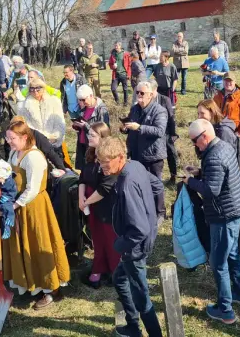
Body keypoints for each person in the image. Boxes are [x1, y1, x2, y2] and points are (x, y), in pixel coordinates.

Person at [184, 120, 240, 324]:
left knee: (218, 263)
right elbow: (220, 177)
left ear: (204, 136)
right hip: (236, 209)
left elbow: (211, 190)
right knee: (232, 255)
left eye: (195, 141)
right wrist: (199, 172)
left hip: (224, 215)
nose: (194, 145)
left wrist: (190, 181)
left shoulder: (213, 157)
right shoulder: (223, 145)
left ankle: (226, 310)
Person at [0, 117, 70, 309]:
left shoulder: (34, 157)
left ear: (24, 137)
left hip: (34, 207)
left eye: (12, 138)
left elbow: (32, 188)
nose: (9, 142)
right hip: (18, 206)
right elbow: (7, 170)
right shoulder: (15, 152)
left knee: (39, 244)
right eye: (8, 138)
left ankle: (51, 289)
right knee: (23, 245)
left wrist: (15, 205)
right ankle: (30, 283)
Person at [97, 137, 164, 337]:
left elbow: (139, 229)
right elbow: (158, 187)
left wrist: (119, 244)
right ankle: (133, 325)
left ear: (119, 157)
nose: (103, 168)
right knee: (119, 278)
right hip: (139, 243)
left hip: (134, 248)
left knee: (141, 296)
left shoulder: (126, 184)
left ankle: (152, 333)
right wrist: (150, 212)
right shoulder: (135, 165)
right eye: (100, 162)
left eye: (106, 163)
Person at [77, 123, 120, 289]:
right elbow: (82, 178)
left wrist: (86, 201)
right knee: (97, 239)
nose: (88, 137)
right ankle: (99, 268)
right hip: (90, 205)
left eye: (92, 135)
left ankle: (115, 272)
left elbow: (105, 187)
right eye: (89, 134)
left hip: (105, 206)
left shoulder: (109, 158)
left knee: (110, 240)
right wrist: (81, 199)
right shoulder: (90, 153)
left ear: (103, 138)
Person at [122, 81, 167, 222]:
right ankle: (147, 209)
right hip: (136, 153)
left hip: (153, 155)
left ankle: (160, 212)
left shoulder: (159, 110)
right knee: (141, 182)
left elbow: (159, 131)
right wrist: (125, 128)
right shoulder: (135, 109)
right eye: (137, 92)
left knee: (156, 184)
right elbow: (131, 126)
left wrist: (139, 127)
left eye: (142, 93)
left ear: (151, 95)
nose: (139, 95)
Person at [20, 78, 67, 160]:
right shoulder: (25, 105)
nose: (35, 91)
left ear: (43, 88)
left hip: (54, 143)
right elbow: (27, 126)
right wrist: (41, 140)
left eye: (38, 88)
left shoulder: (54, 101)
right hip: (36, 145)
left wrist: (54, 138)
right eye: (32, 88)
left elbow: (60, 123)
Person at [73, 84, 110, 170]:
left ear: (91, 95)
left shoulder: (101, 109)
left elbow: (103, 131)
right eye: (80, 100)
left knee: (91, 171)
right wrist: (77, 125)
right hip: (82, 143)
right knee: (83, 171)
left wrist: (85, 126)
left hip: (93, 147)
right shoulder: (84, 107)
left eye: (83, 100)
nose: (81, 102)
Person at [149, 79, 179, 185]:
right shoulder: (147, 99)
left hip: (165, 131)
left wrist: (173, 134)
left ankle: (173, 175)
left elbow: (171, 117)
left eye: (150, 91)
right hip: (152, 131)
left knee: (171, 153)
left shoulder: (164, 100)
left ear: (155, 89)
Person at [213, 72, 240, 137]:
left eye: (230, 81)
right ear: (223, 82)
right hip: (218, 130)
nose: (228, 83)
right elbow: (212, 113)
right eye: (226, 80)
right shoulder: (217, 97)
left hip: (234, 133)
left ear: (235, 82)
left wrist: (239, 132)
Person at [108, 41, 131, 106]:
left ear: (120, 46)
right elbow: (110, 64)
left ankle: (125, 103)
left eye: (117, 46)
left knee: (125, 89)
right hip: (116, 75)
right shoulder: (113, 54)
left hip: (124, 74)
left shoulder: (126, 54)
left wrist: (128, 74)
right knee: (113, 88)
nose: (115, 47)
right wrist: (113, 66)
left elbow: (129, 65)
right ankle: (117, 101)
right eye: (115, 46)